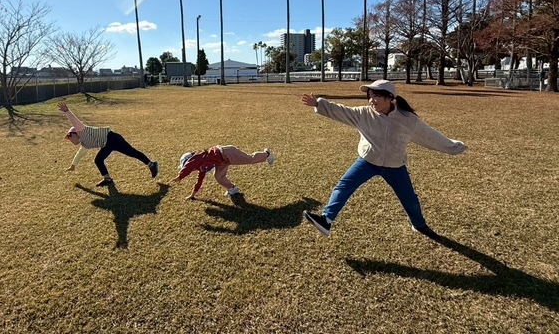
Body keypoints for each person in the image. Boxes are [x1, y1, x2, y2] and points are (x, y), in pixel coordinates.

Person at [301, 79, 466, 240]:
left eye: (377, 96)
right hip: (368, 162)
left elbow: (430, 136)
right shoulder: (363, 114)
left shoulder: (408, 119)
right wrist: (319, 104)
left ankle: (419, 225)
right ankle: (326, 220)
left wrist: (455, 147)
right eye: (370, 96)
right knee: (344, 186)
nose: (372, 100)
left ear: (390, 97)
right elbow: (341, 111)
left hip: (395, 166)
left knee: (410, 199)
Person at [58, 101, 159, 187]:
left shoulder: (82, 130)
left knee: (132, 153)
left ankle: (152, 164)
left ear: (74, 134)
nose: (70, 141)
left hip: (113, 139)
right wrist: (73, 166)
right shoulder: (85, 144)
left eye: (70, 137)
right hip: (106, 145)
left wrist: (67, 111)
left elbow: (75, 122)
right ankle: (108, 179)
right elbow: (79, 154)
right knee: (98, 160)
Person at [171, 145, 275, 200]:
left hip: (226, 153)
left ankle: (267, 154)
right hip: (222, 161)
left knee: (249, 159)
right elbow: (199, 180)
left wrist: (180, 176)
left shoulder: (197, 158)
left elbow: (189, 165)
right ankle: (232, 188)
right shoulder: (199, 166)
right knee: (218, 176)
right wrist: (192, 195)